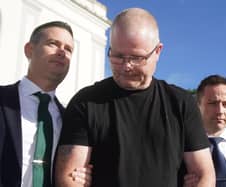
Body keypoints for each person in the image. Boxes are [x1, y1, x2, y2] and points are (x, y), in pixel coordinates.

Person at [55, 7, 215, 187]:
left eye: (137, 58)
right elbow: (70, 177)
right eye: (117, 56)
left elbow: (204, 175)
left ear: (158, 51)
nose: (126, 66)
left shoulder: (181, 103)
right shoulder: (85, 102)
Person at [0, 21, 91, 187]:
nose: (62, 52)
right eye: (53, 44)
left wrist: (82, 175)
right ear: (30, 50)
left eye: (68, 49)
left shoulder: (70, 119)